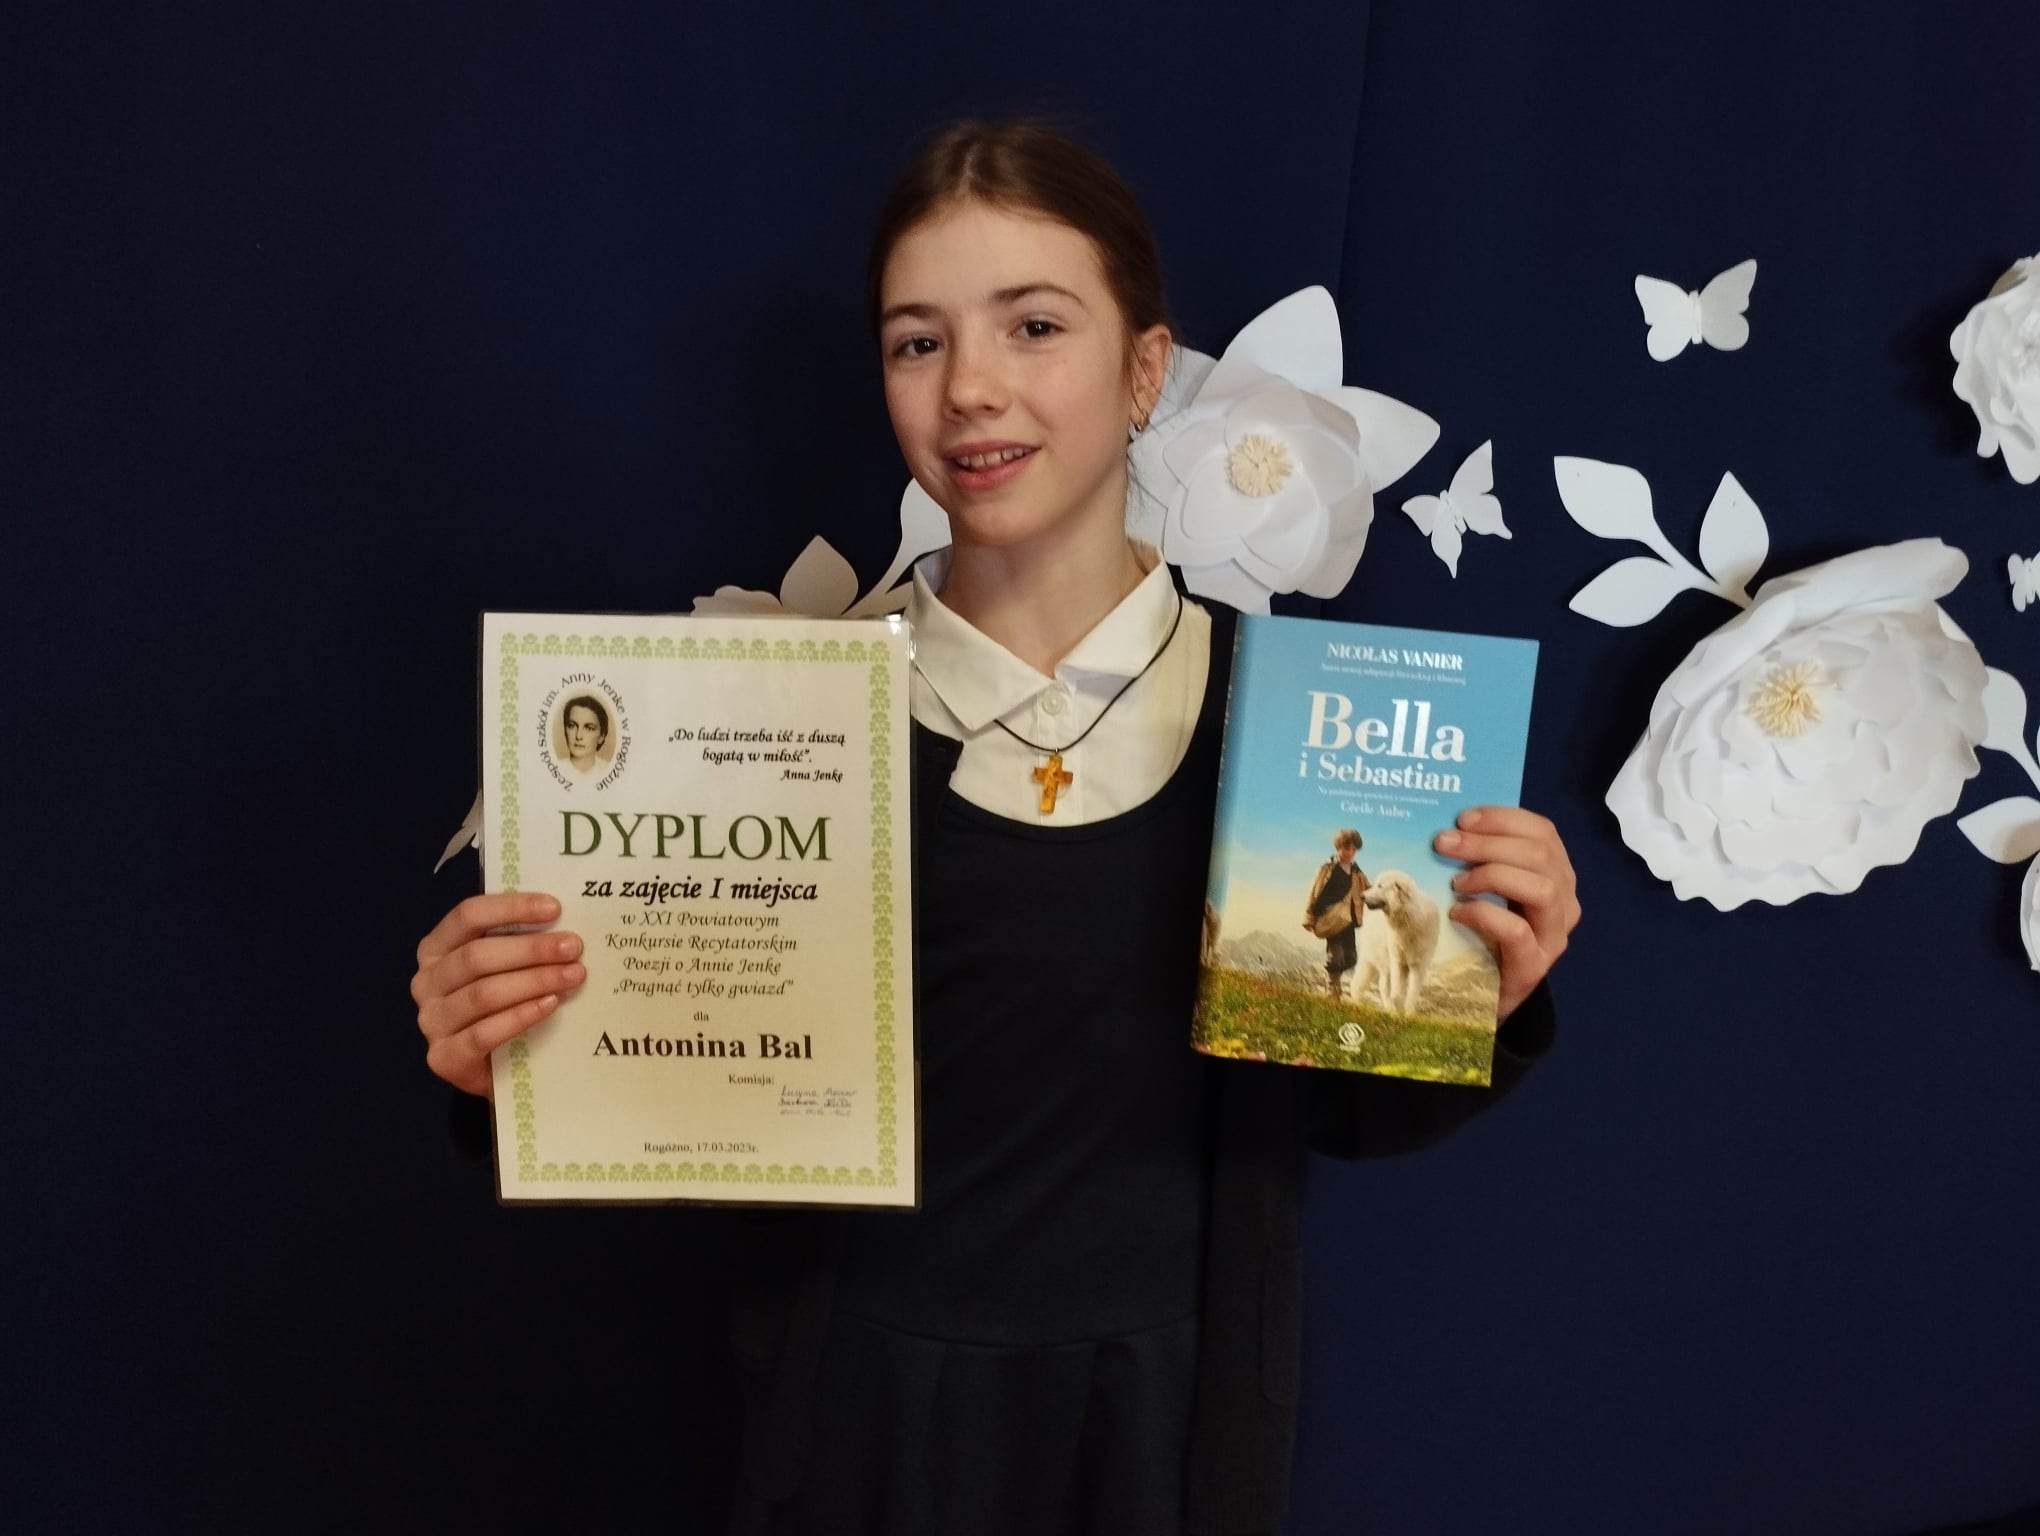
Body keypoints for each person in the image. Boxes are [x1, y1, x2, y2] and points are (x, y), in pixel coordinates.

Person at [409, 118, 1582, 1535]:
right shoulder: (767, 735)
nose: (971, 387)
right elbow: (685, 1093)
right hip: (859, 1432)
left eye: (1034, 325)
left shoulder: (1298, 730)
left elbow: (1336, 1104)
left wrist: (1484, 993)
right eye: (918, 341)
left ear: (1145, 369)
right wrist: (507, 1058)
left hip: (1170, 1431)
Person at [1302, 828, 1369, 999]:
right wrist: (1309, 918)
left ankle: (1333, 976)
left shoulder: (1357, 872)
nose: (1350, 853)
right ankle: (1333, 991)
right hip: (1330, 919)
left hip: (1349, 921)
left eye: (1354, 849)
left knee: (1351, 958)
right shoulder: (1326, 868)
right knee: (1336, 956)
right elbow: (1313, 892)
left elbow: (1369, 890)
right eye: (1347, 848)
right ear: (1338, 847)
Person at [559, 694, 608, 773]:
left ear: (601, 736)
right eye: (572, 726)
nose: (578, 736)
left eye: (589, 728)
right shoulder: (556, 768)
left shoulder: (607, 769)